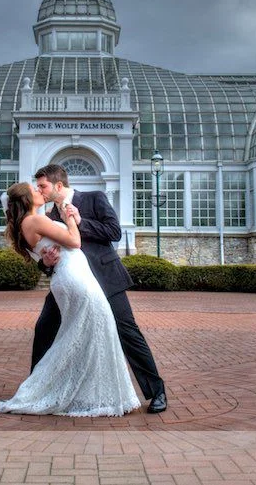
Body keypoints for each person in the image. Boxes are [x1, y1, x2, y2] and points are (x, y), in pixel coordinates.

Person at [0, 182, 141, 416]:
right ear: (26, 200)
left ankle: (82, 390)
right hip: (75, 279)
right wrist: (71, 217)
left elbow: (46, 254)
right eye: (34, 190)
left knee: (82, 334)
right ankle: (55, 389)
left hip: (69, 277)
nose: (38, 191)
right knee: (91, 332)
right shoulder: (35, 220)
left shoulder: (26, 225)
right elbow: (75, 241)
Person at [33, 164, 167, 413]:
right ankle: (34, 390)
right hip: (71, 283)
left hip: (104, 278)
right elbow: (48, 257)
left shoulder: (94, 198)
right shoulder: (48, 218)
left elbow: (114, 232)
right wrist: (46, 264)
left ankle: (157, 391)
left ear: (58, 186)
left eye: (42, 186)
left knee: (128, 331)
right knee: (44, 327)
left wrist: (81, 222)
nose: (38, 190)